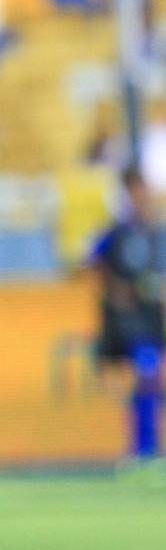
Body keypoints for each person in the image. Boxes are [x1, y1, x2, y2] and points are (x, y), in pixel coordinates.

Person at [90, 165, 163, 459]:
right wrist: (115, 291)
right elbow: (92, 262)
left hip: (155, 319)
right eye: (137, 189)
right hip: (131, 323)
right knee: (148, 370)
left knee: (152, 379)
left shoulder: (156, 233)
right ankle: (144, 451)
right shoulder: (117, 233)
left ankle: (148, 448)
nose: (143, 195)